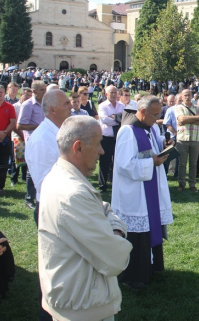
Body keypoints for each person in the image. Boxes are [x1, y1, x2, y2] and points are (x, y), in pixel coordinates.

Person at [38, 116, 132, 321]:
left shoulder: (63, 177)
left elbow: (102, 207)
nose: (102, 150)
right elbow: (115, 258)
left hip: (78, 299)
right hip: (83, 307)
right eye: (98, 143)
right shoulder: (73, 193)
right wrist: (116, 231)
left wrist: (106, 218)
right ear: (78, 147)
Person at [112, 96, 172, 290]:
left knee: (149, 227)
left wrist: (163, 148)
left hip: (149, 188)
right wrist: (151, 163)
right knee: (138, 234)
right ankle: (133, 276)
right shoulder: (128, 131)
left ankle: (150, 268)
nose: (158, 119)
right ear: (143, 112)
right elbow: (124, 164)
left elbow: (149, 151)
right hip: (134, 193)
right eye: (155, 114)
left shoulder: (149, 128)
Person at [26, 90, 72, 225]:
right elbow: (44, 184)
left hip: (64, 205)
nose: (71, 106)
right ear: (53, 110)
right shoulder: (42, 139)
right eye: (66, 104)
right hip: (52, 208)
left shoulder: (57, 132)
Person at [18, 80, 47, 209]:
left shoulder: (45, 104)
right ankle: (29, 198)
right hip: (33, 141)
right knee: (32, 170)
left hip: (45, 140)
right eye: (42, 90)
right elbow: (20, 125)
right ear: (34, 91)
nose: (44, 92)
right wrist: (39, 126)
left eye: (45, 89)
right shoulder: (28, 105)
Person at [175, 89, 199, 192]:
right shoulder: (178, 107)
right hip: (182, 139)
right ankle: (181, 184)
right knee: (182, 163)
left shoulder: (197, 107)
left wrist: (188, 120)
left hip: (195, 139)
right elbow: (181, 119)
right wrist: (196, 117)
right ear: (182, 97)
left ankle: (192, 184)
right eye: (185, 95)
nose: (187, 97)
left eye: (189, 95)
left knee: (193, 163)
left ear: (192, 96)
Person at [98, 85, 125, 192]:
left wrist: (114, 117)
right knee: (104, 162)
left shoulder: (121, 106)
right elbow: (104, 120)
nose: (113, 94)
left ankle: (115, 183)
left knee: (117, 162)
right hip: (106, 138)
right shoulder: (102, 106)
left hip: (118, 138)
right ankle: (102, 185)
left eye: (115, 92)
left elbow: (125, 118)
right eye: (111, 92)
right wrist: (118, 119)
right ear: (106, 94)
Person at [0, 84, 16, 194]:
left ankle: (0, 187)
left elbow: (13, 122)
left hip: (5, 139)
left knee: (4, 164)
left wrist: (3, 134)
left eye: (1, 92)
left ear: (4, 93)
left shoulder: (10, 107)